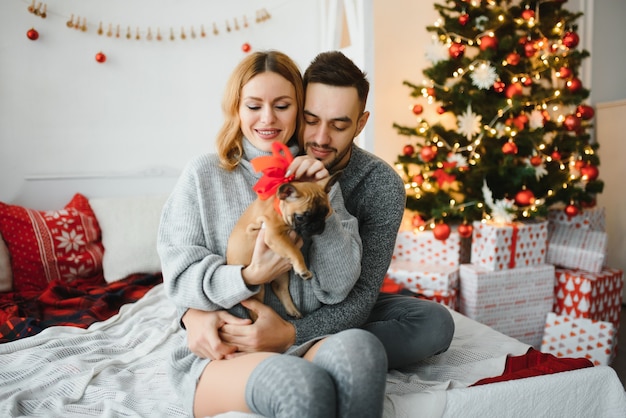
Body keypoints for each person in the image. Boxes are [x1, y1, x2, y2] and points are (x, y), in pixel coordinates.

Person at [182, 50, 456, 371]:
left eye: (339, 125)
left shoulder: (382, 184)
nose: (321, 139)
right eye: (311, 121)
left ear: (360, 123)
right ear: (298, 112)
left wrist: (290, 334)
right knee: (358, 344)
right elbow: (187, 264)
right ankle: (332, 354)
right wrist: (190, 314)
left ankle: (317, 351)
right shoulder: (271, 164)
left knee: (434, 322)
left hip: (334, 306)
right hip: (261, 302)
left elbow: (360, 296)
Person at [157, 50, 388, 418]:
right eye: (253, 106)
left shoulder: (315, 180)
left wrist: (322, 203)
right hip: (227, 350)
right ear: (236, 108)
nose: (268, 119)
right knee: (300, 385)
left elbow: (340, 287)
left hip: (303, 338)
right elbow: (179, 279)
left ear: (299, 109)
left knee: (363, 349)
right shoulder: (204, 175)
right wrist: (248, 277)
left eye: (282, 105)